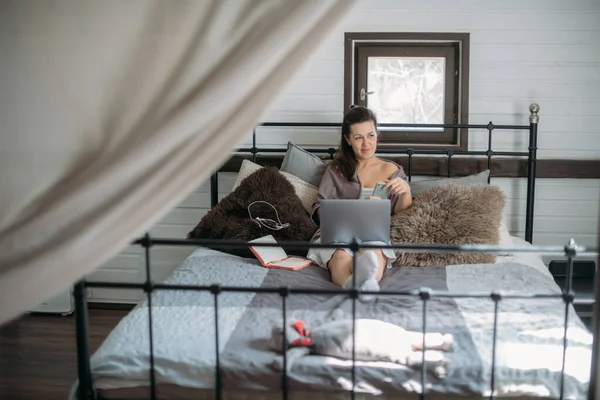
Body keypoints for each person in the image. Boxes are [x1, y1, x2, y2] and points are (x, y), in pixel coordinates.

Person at [306, 105, 412, 295]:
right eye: (358, 138)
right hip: (338, 235)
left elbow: (403, 214)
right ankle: (356, 285)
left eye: (370, 135)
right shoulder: (337, 170)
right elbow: (319, 208)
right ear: (348, 140)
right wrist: (354, 210)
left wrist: (405, 192)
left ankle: (365, 281)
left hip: (374, 235)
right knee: (340, 256)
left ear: (377, 134)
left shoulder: (392, 171)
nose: (366, 144)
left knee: (374, 253)